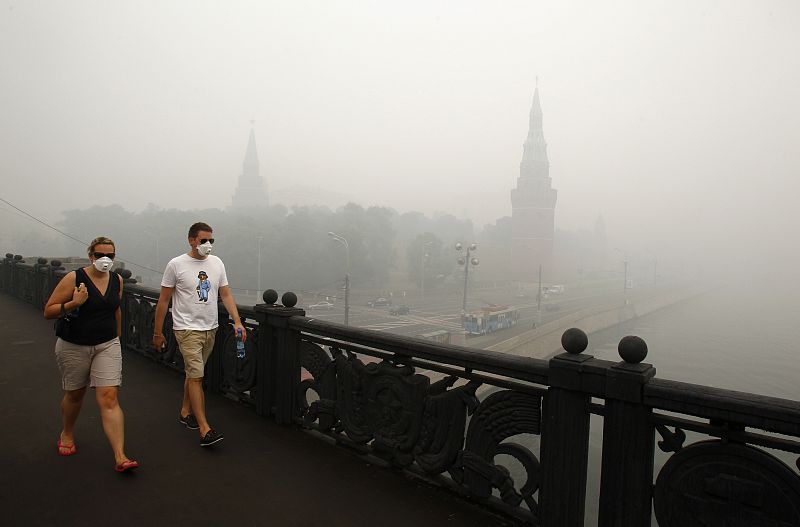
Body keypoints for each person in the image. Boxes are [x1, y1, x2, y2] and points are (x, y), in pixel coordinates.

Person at [43, 236, 139, 472]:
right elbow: (49, 311)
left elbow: (115, 310)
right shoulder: (74, 278)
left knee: (109, 397)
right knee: (75, 395)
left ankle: (120, 456)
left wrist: (117, 338)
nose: (105, 260)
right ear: (90, 256)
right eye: (100, 255)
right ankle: (67, 432)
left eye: (110, 256)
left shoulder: (117, 279)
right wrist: (74, 303)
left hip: (106, 344)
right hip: (74, 345)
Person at [153, 222, 245, 447]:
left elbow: (225, 293)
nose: (208, 245)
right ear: (191, 240)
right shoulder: (176, 265)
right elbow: (164, 300)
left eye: (211, 241)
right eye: (203, 240)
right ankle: (205, 429)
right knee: (197, 377)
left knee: (194, 374)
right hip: (186, 329)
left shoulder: (217, 263)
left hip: (210, 327)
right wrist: (158, 332)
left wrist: (238, 321)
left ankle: (185, 412)